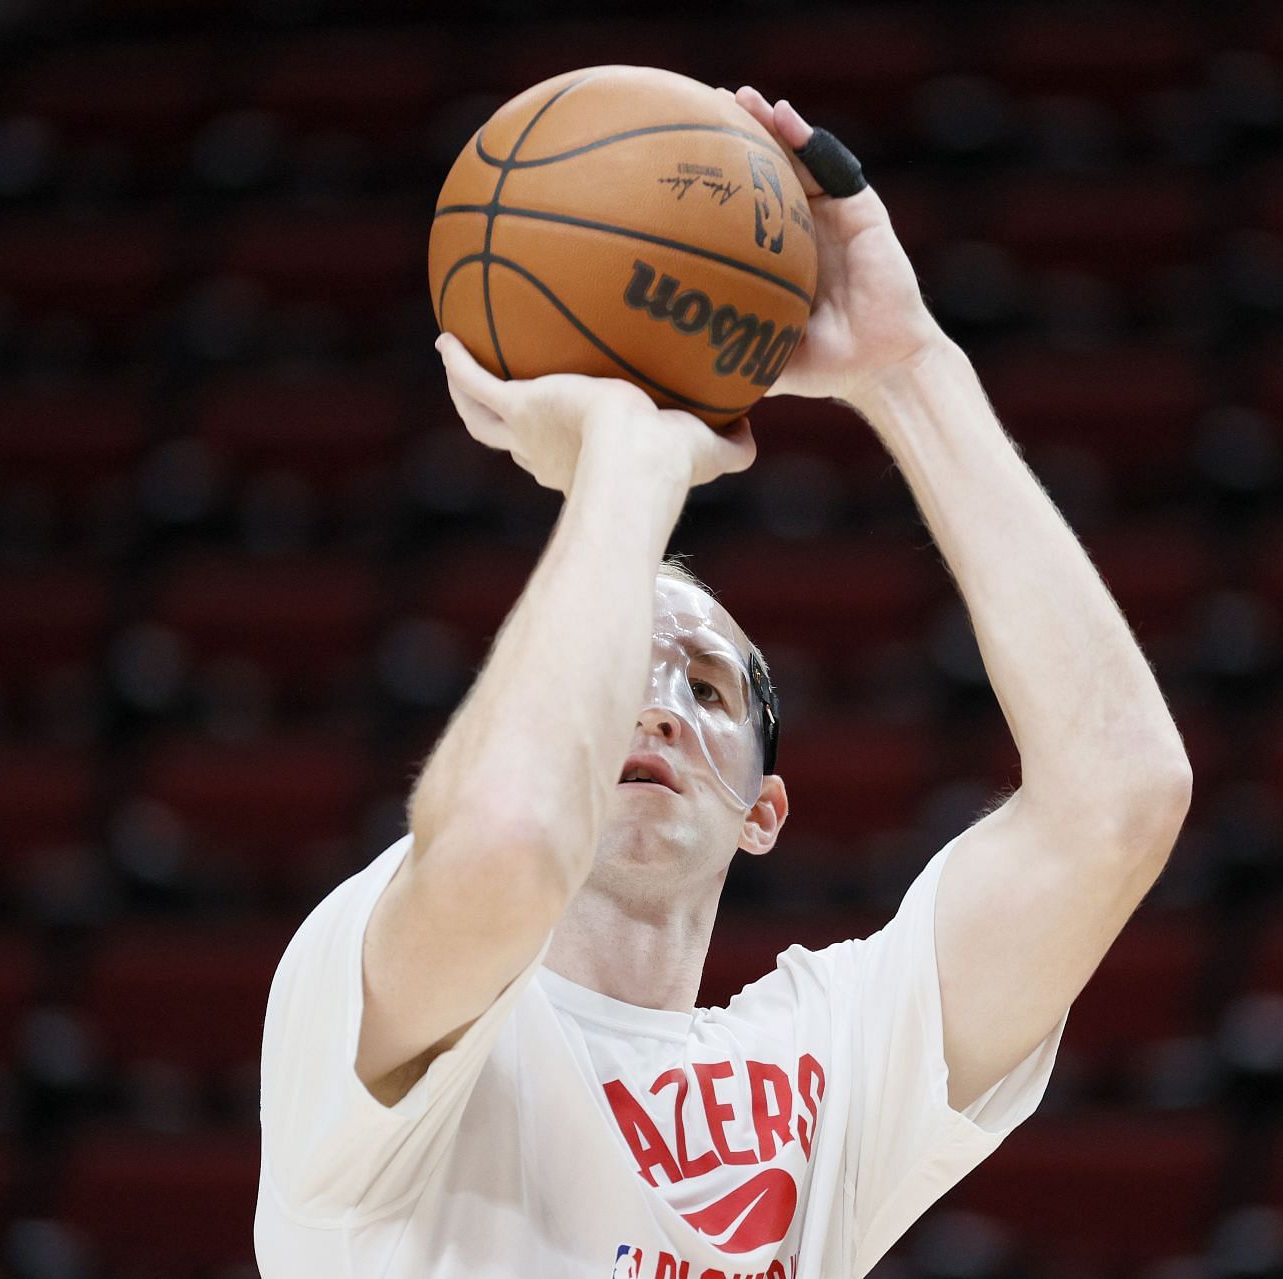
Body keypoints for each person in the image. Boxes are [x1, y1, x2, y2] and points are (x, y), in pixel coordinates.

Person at [255, 85, 1192, 1278]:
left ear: (765, 809)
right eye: (622, 673)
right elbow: (506, 842)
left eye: (702, 685)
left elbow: (1121, 798)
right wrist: (630, 462)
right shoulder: (368, 1003)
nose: (652, 704)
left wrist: (909, 369)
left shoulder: (832, 1060)